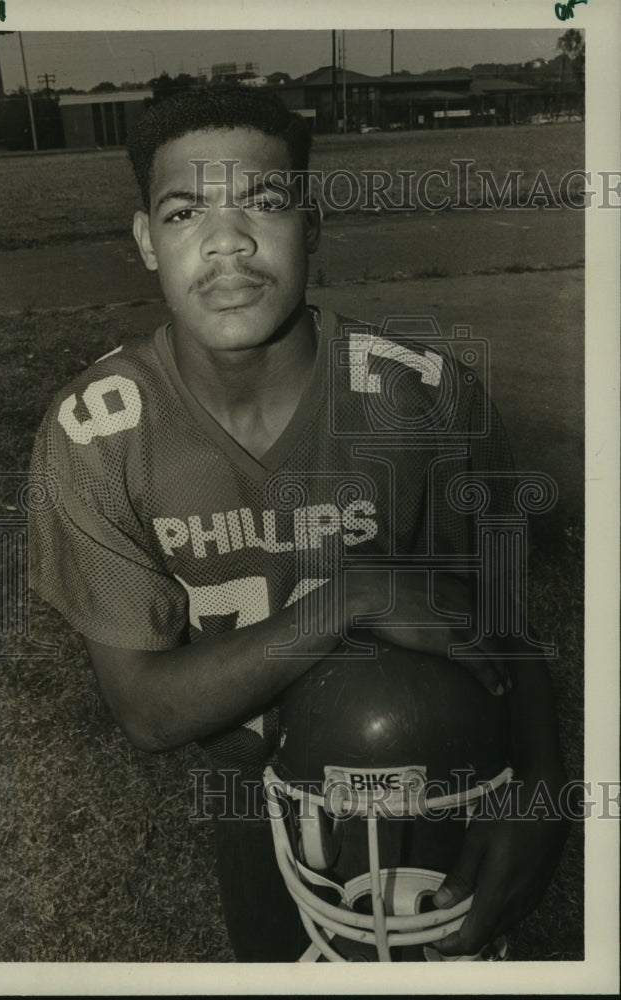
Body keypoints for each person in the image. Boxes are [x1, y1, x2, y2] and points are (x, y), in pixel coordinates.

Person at [29, 86, 567, 962]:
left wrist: (542, 791)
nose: (227, 239)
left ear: (311, 224)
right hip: (255, 791)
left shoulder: (419, 395)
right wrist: (345, 597)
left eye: (266, 203)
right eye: (183, 210)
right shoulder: (96, 434)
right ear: (144, 242)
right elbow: (147, 712)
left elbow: (505, 623)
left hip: (436, 760)